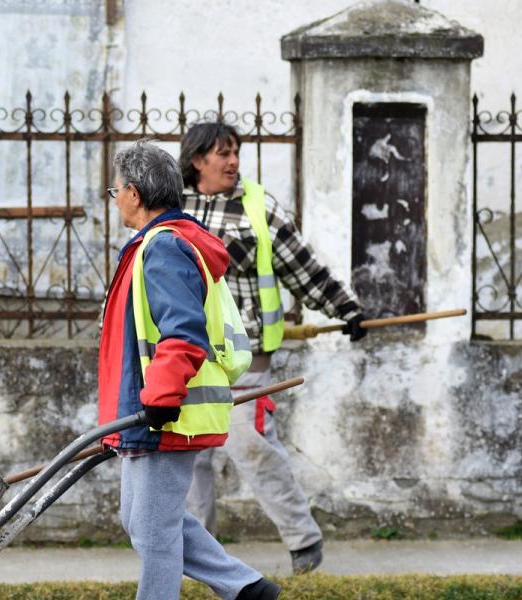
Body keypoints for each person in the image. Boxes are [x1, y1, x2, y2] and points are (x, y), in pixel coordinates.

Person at [179, 122, 368, 575]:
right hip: (187, 360)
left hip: (246, 359)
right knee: (187, 460)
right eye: (223, 154)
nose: (233, 162)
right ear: (196, 160)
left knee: (253, 446)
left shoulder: (258, 207)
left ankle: (304, 543)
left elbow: (304, 267)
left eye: (236, 152)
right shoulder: (174, 208)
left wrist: (345, 308)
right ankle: (194, 557)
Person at [98, 140, 282, 600]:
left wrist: (160, 399)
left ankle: (239, 588)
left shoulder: (164, 249)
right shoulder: (153, 246)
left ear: (135, 194)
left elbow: (183, 332)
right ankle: (245, 587)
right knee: (141, 521)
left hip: (166, 412)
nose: (114, 197)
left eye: (115, 189)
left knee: (155, 535)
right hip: (143, 409)